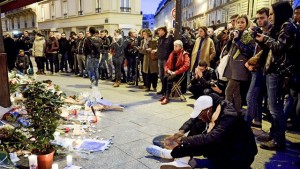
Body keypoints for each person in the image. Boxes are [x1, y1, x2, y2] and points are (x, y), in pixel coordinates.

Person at [146, 94, 257, 169]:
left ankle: (187, 160)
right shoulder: (212, 106)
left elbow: (212, 138)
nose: (200, 117)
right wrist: (180, 132)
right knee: (198, 125)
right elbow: (194, 119)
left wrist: (183, 141)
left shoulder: (229, 116)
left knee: (201, 140)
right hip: (226, 147)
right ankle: (180, 158)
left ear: (208, 110)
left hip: (240, 156)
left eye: (201, 114)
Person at [255, 1, 295, 150]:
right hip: (275, 70)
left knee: (275, 108)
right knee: (274, 107)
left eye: (271, 14)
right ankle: (274, 134)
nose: (270, 17)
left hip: (278, 71)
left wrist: (265, 38)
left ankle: (279, 140)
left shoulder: (287, 26)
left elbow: (279, 47)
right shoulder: (284, 26)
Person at [244, 7, 272, 129]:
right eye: (258, 18)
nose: (259, 20)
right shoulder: (260, 31)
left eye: (262, 18)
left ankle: (247, 124)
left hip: (262, 68)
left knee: (250, 97)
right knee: (256, 97)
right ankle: (257, 121)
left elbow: (264, 53)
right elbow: (253, 50)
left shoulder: (270, 32)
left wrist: (252, 63)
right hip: (257, 68)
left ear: (268, 17)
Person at [223, 14, 255, 113]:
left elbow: (247, 51)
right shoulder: (235, 33)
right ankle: (237, 113)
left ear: (246, 23)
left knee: (228, 91)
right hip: (232, 65)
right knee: (236, 92)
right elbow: (228, 50)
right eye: (238, 22)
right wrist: (229, 39)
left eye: (242, 22)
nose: (240, 24)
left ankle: (227, 113)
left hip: (240, 67)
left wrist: (237, 39)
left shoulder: (249, 35)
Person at [159, 40, 190, 105]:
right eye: (174, 46)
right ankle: (164, 95)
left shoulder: (185, 54)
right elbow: (166, 65)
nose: (174, 47)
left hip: (180, 73)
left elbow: (186, 66)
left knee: (169, 79)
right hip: (172, 72)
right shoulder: (172, 53)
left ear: (181, 47)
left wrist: (176, 72)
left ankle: (167, 97)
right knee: (165, 77)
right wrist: (167, 70)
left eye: (176, 46)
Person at [155, 26, 174, 94]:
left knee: (166, 75)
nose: (158, 32)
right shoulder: (160, 38)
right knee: (161, 75)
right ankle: (163, 89)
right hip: (160, 58)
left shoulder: (169, 38)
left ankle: (166, 90)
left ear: (163, 31)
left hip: (166, 59)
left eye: (159, 30)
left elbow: (171, 48)